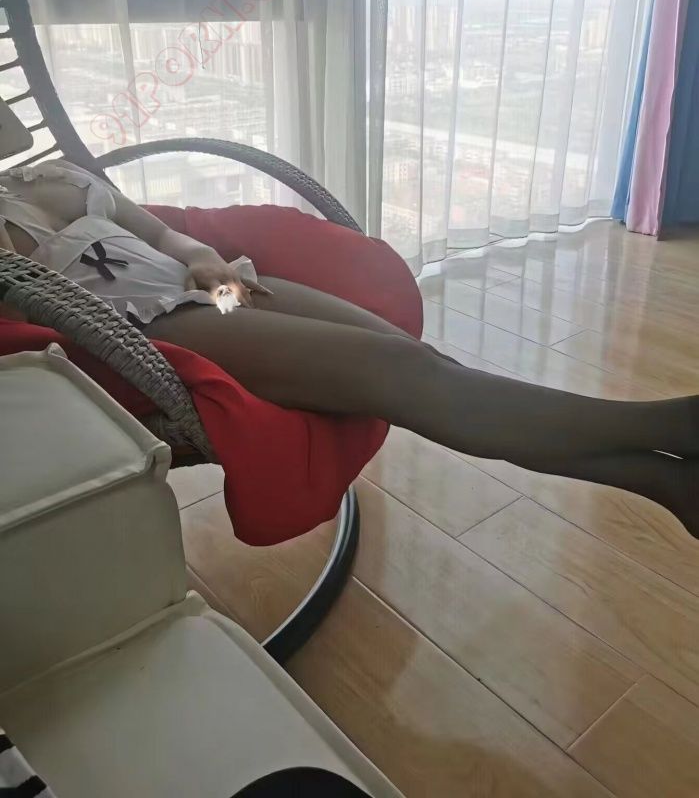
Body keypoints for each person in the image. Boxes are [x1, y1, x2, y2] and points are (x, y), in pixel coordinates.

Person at [1, 159, 697, 537]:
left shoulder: (58, 178)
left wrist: (204, 258)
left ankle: (664, 481)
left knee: (426, 369)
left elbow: (161, 234)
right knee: (403, 372)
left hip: (218, 291)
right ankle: (672, 426)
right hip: (149, 331)